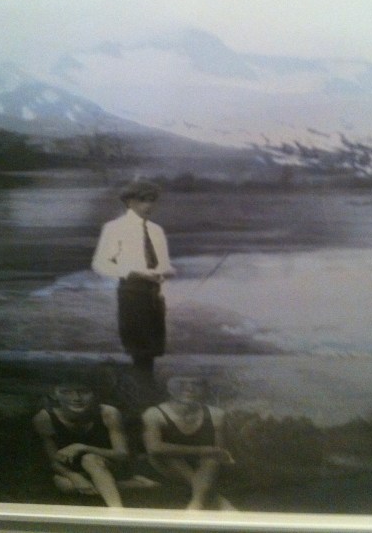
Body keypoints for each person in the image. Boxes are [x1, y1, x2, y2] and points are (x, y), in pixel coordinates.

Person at [33, 376, 158, 507]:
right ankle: (136, 484)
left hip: (108, 465)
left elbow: (122, 454)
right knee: (66, 485)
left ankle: (117, 510)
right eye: (66, 392)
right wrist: (75, 477)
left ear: (94, 393)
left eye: (84, 391)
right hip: (76, 469)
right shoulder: (44, 418)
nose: (76, 398)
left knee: (90, 459)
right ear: (54, 394)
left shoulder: (108, 412)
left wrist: (82, 447)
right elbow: (54, 460)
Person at [92, 180, 175, 375]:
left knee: (153, 348)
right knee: (138, 348)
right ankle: (140, 386)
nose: (149, 205)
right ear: (129, 202)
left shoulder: (156, 230)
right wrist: (131, 272)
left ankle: (147, 384)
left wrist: (166, 271)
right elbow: (100, 264)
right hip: (131, 292)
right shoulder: (114, 228)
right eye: (143, 200)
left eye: (152, 200)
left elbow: (163, 264)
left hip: (155, 294)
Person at [142, 376, 236, 510]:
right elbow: (154, 448)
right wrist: (203, 450)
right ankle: (217, 501)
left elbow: (218, 450)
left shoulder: (217, 414)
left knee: (211, 460)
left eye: (196, 384)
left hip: (205, 466)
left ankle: (196, 505)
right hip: (167, 464)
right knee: (171, 457)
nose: (189, 388)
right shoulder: (153, 414)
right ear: (169, 388)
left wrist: (209, 453)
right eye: (181, 383)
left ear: (203, 389)